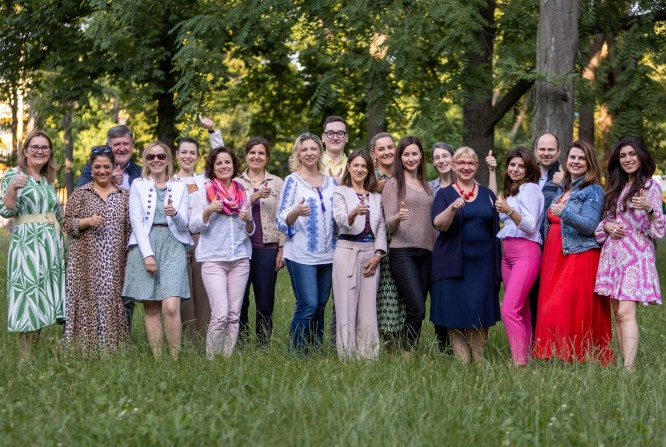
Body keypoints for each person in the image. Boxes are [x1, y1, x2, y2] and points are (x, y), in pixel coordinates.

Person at [533, 140, 614, 365]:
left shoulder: (594, 190)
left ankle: (580, 356)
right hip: (555, 255)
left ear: (589, 163)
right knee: (553, 304)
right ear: (565, 160)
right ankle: (558, 354)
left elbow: (589, 225)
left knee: (570, 306)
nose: (576, 162)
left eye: (581, 158)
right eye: (572, 157)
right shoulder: (565, 188)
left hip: (578, 255)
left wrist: (565, 212)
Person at [595, 138, 665, 370]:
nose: (628, 159)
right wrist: (607, 226)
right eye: (623, 155)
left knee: (626, 312)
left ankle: (629, 369)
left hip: (637, 254)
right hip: (613, 253)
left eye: (632, 154)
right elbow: (605, 220)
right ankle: (625, 363)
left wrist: (649, 207)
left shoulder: (651, 188)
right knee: (618, 314)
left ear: (641, 156)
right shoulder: (615, 186)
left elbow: (659, 230)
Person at [122, 141, 192, 359]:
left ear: (168, 160)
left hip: (173, 244)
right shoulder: (138, 185)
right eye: (151, 157)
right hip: (146, 244)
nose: (156, 160)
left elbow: (185, 223)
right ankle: (159, 359)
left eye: (160, 156)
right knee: (151, 307)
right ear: (145, 160)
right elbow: (136, 221)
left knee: (171, 306)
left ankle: (174, 358)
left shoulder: (180, 186)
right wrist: (148, 254)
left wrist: (175, 214)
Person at [0, 131, 66, 364]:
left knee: (41, 298)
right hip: (27, 244)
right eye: (35, 147)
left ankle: (34, 355)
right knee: (28, 296)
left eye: (45, 147)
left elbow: (57, 216)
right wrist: (13, 189)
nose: (40, 151)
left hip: (50, 245)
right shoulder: (13, 174)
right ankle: (24, 359)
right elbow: (6, 209)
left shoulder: (47, 182)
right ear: (25, 151)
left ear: (50, 153)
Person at [431, 147, 501, 363]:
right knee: (455, 314)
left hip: (482, 264)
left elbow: (495, 223)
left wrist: (492, 172)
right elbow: (439, 225)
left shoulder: (487, 194)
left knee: (480, 314)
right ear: (453, 166)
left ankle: (479, 362)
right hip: (452, 263)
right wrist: (452, 208)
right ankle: (463, 364)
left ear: (476, 166)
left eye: (470, 163)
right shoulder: (444, 194)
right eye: (461, 163)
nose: (466, 167)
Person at [62, 146, 131, 355]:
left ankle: (110, 350)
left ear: (114, 168)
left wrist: (128, 262)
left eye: (106, 167)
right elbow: (66, 224)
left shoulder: (124, 196)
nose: (102, 171)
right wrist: (87, 221)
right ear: (91, 169)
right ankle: (82, 349)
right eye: (97, 167)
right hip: (84, 261)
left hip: (113, 262)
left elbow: (129, 231)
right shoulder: (81, 193)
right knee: (85, 300)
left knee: (110, 300)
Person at [189, 146, 255, 359]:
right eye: (219, 163)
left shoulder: (243, 192)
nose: (224, 166)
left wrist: (249, 221)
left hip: (240, 258)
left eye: (228, 162)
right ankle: (211, 360)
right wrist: (209, 210)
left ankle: (225, 358)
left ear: (234, 165)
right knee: (220, 314)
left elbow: (250, 230)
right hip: (213, 260)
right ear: (212, 167)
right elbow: (193, 226)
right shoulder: (203, 193)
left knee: (234, 315)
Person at [78, 125, 142, 334]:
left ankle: (122, 339)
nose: (121, 148)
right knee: (96, 290)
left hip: (131, 240)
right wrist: (109, 183)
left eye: (126, 143)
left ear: (132, 146)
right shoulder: (93, 168)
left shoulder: (141, 171)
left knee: (127, 292)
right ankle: (94, 336)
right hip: (98, 239)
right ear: (109, 146)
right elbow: (81, 197)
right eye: (117, 144)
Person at [276, 133, 336, 353]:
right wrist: (296, 212)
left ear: (320, 152)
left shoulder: (332, 182)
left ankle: (315, 349)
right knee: (308, 305)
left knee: (320, 305)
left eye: (313, 149)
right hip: (300, 255)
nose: (309, 153)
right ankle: (296, 352)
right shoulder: (293, 180)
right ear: (298, 154)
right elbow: (281, 220)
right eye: (304, 150)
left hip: (328, 254)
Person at [332, 149, 387, 359]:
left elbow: (381, 226)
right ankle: (346, 356)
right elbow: (340, 219)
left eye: (364, 166)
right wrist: (354, 212)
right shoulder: (340, 192)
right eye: (355, 165)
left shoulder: (375, 197)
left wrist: (378, 255)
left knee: (367, 309)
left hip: (370, 254)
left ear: (369, 170)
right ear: (349, 167)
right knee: (346, 307)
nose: (359, 169)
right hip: (346, 252)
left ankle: (368, 355)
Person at [382, 136, 435, 354]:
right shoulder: (393, 184)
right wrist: (398, 217)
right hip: (402, 252)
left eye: (415, 153)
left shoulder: (428, 186)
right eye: (406, 154)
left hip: (427, 253)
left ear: (421, 155)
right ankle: (406, 356)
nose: (411, 158)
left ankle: (407, 352)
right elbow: (387, 222)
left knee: (418, 309)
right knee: (416, 307)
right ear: (400, 157)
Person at [494, 147, 544, 366]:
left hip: (526, 253)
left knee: (509, 309)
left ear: (529, 168)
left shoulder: (531, 188)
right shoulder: (513, 190)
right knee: (521, 310)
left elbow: (530, 226)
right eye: (512, 165)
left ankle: (519, 362)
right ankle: (526, 356)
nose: (515, 169)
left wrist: (508, 210)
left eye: (520, 165)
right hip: (508, 255)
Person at [234, 137, 285, 347]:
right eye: (252, 152)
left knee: (265, 301)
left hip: (267, 248)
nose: (256, 156)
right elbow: (232, 209)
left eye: (261, 153)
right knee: (240, 300)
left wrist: (281, 248)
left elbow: (283, 216)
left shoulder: (277, 183)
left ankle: (263, 345)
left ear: (267, 157)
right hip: (239, 248)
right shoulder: (235, 182)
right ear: (246, 156)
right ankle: (241, 343)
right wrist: (253, 197)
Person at [370, 132, 405, 351]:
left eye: (390, 147)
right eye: (381, 149)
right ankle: (387, 346)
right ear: (374, 154)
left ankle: (403, 341)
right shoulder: (370, 178)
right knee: (385, 293)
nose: (387, 152)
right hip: (378, 240)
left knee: (402, 292)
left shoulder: (404, 176)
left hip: (404, 238)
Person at [174, 137, 210, 344]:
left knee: (203, 290)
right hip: (177, 239)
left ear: (198, 156)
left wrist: (213, 131)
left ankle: (204, 339)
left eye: (192, 153)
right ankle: (186, 340)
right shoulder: (169, 181)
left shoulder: (204, 181)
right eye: (184, 152)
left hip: (200, 238)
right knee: (182, 292)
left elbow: (222, 153)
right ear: (177, 155)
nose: (188, 156)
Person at [528, 133, 565, 331]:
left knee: (551, 293)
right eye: (542, 149)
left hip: (551, 244)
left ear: (558, 151)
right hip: (528, 244)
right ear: (536, 151)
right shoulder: (528, 176)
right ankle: (532, 340)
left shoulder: (564, 176)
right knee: (530, 294)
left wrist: (564, 184)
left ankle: (550, 338)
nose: (546, 153)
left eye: (551, 149)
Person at [321, 116, 348, 182]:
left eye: (340, 133)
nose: (335, 138)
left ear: (347, 138)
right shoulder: (313, 164)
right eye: (330, 133)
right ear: (323, 137)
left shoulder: (354, 166)